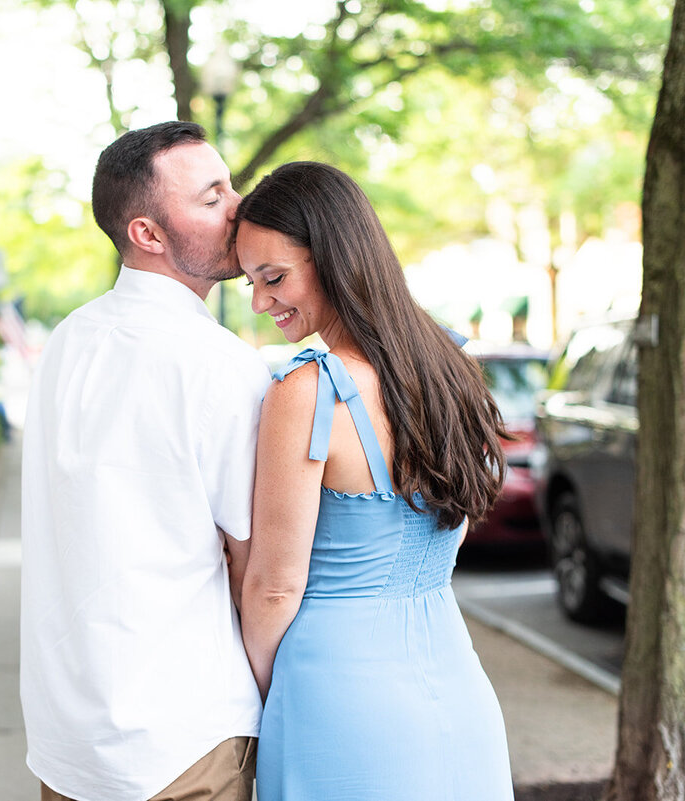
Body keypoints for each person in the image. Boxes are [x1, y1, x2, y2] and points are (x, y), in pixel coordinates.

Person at [234, 161, 514, 800]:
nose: (259, 301)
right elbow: (448, 526)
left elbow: (275, 585)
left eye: (273, 277)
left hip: (333, 692)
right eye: (250, 282)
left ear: (334, 258)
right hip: (457, 683)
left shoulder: (308, 390)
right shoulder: (450, 371)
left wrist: (263, 691)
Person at [20, 121, 269, 801]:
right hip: (184, 739)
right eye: (213, 196)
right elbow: (255, 566)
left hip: (69, 743)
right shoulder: (222, 366)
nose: (239, 206)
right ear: (148, 234)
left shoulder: (64, 345)